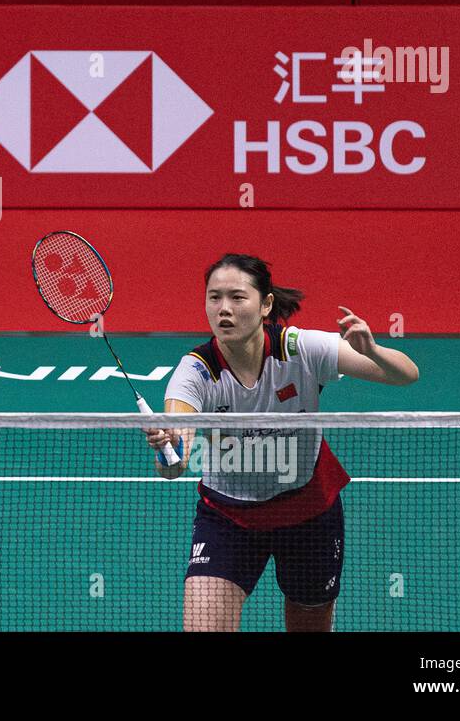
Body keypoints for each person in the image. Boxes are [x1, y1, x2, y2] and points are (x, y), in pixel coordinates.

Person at [146, 253, 419, 632]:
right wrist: (167, 447)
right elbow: (175, 466)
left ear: (266, 305)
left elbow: (405, 375)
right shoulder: (194, 373)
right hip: (229, 518)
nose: (223, 309)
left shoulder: (301, 350)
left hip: (308, 513)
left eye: (237, 297)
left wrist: (371, 350)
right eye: (214, 297)